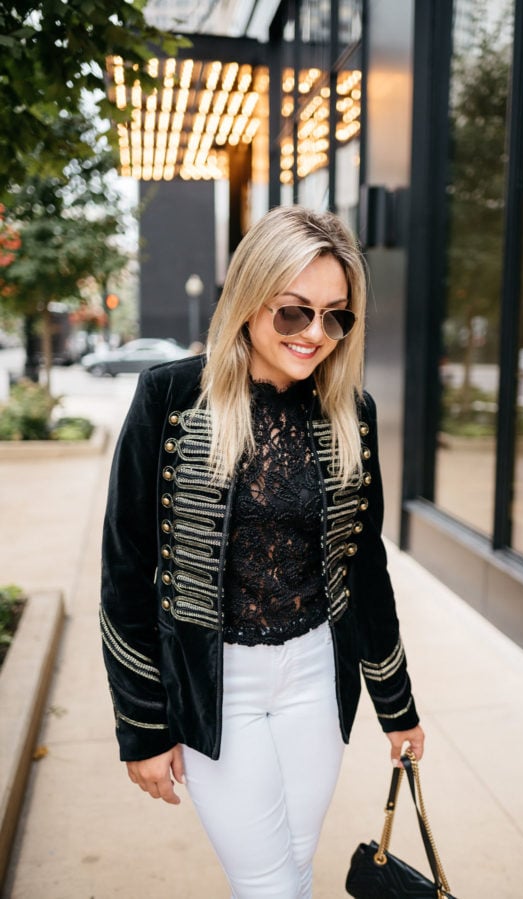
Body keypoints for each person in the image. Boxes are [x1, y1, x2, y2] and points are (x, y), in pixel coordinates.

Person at [100, 205, 424, 898]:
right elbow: (125, 567)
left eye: (336, 316)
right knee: (270, 883)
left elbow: (364, 569)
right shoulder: (170, 398)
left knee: (294, 866)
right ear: (249, 300)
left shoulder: (351, 414)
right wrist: (142, 725)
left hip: (314, 673)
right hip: (220, 686)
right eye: (294, 312)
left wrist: (397, 706)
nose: (316, 335)